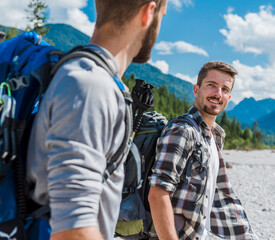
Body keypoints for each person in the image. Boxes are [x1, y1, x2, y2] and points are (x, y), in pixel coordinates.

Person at [26, 0, 167, 240]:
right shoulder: (91, 86)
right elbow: (73, 230)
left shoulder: (97, 81)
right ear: (148, 13)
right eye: (162, 15)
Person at [148, 61, 258, 239]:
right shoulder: (183, 131)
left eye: (225, 89)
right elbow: (158, 193)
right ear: (196, 89)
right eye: (212, 85)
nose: (218, 94)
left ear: (229, 98)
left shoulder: (214, 136)